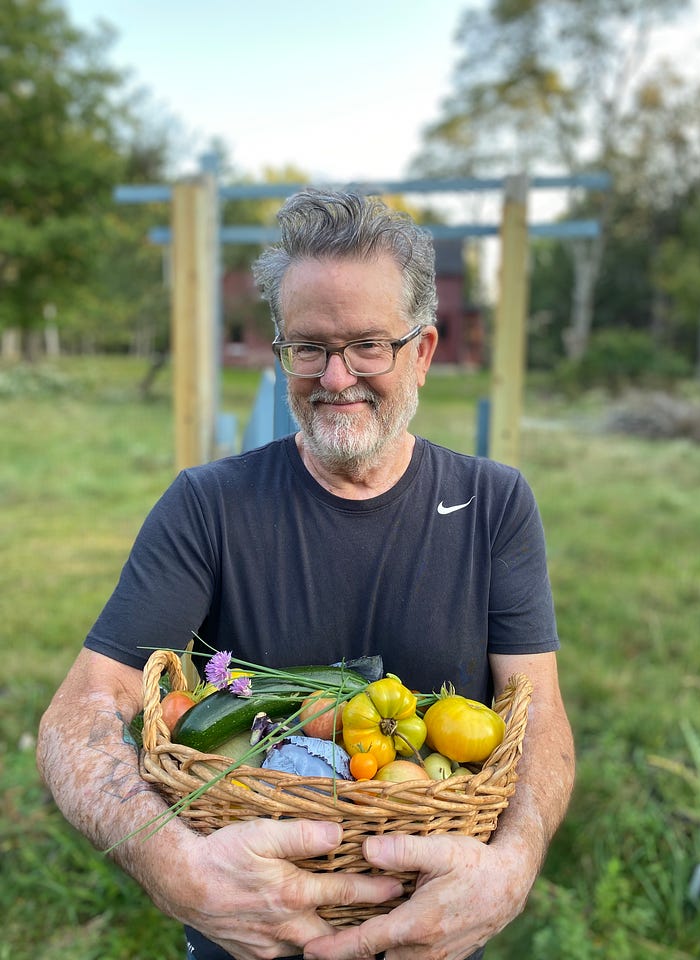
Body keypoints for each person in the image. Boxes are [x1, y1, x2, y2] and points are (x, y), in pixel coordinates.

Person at [37, 189, 574, 960]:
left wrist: (511, 869)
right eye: (309, 347)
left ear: (421, 352)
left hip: (434, 937)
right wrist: (178, 872)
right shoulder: (207, 506)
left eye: (367, 345)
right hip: (245, 936)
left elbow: (541, 717)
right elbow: (78, 713)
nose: (335, 376)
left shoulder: (495, 505)